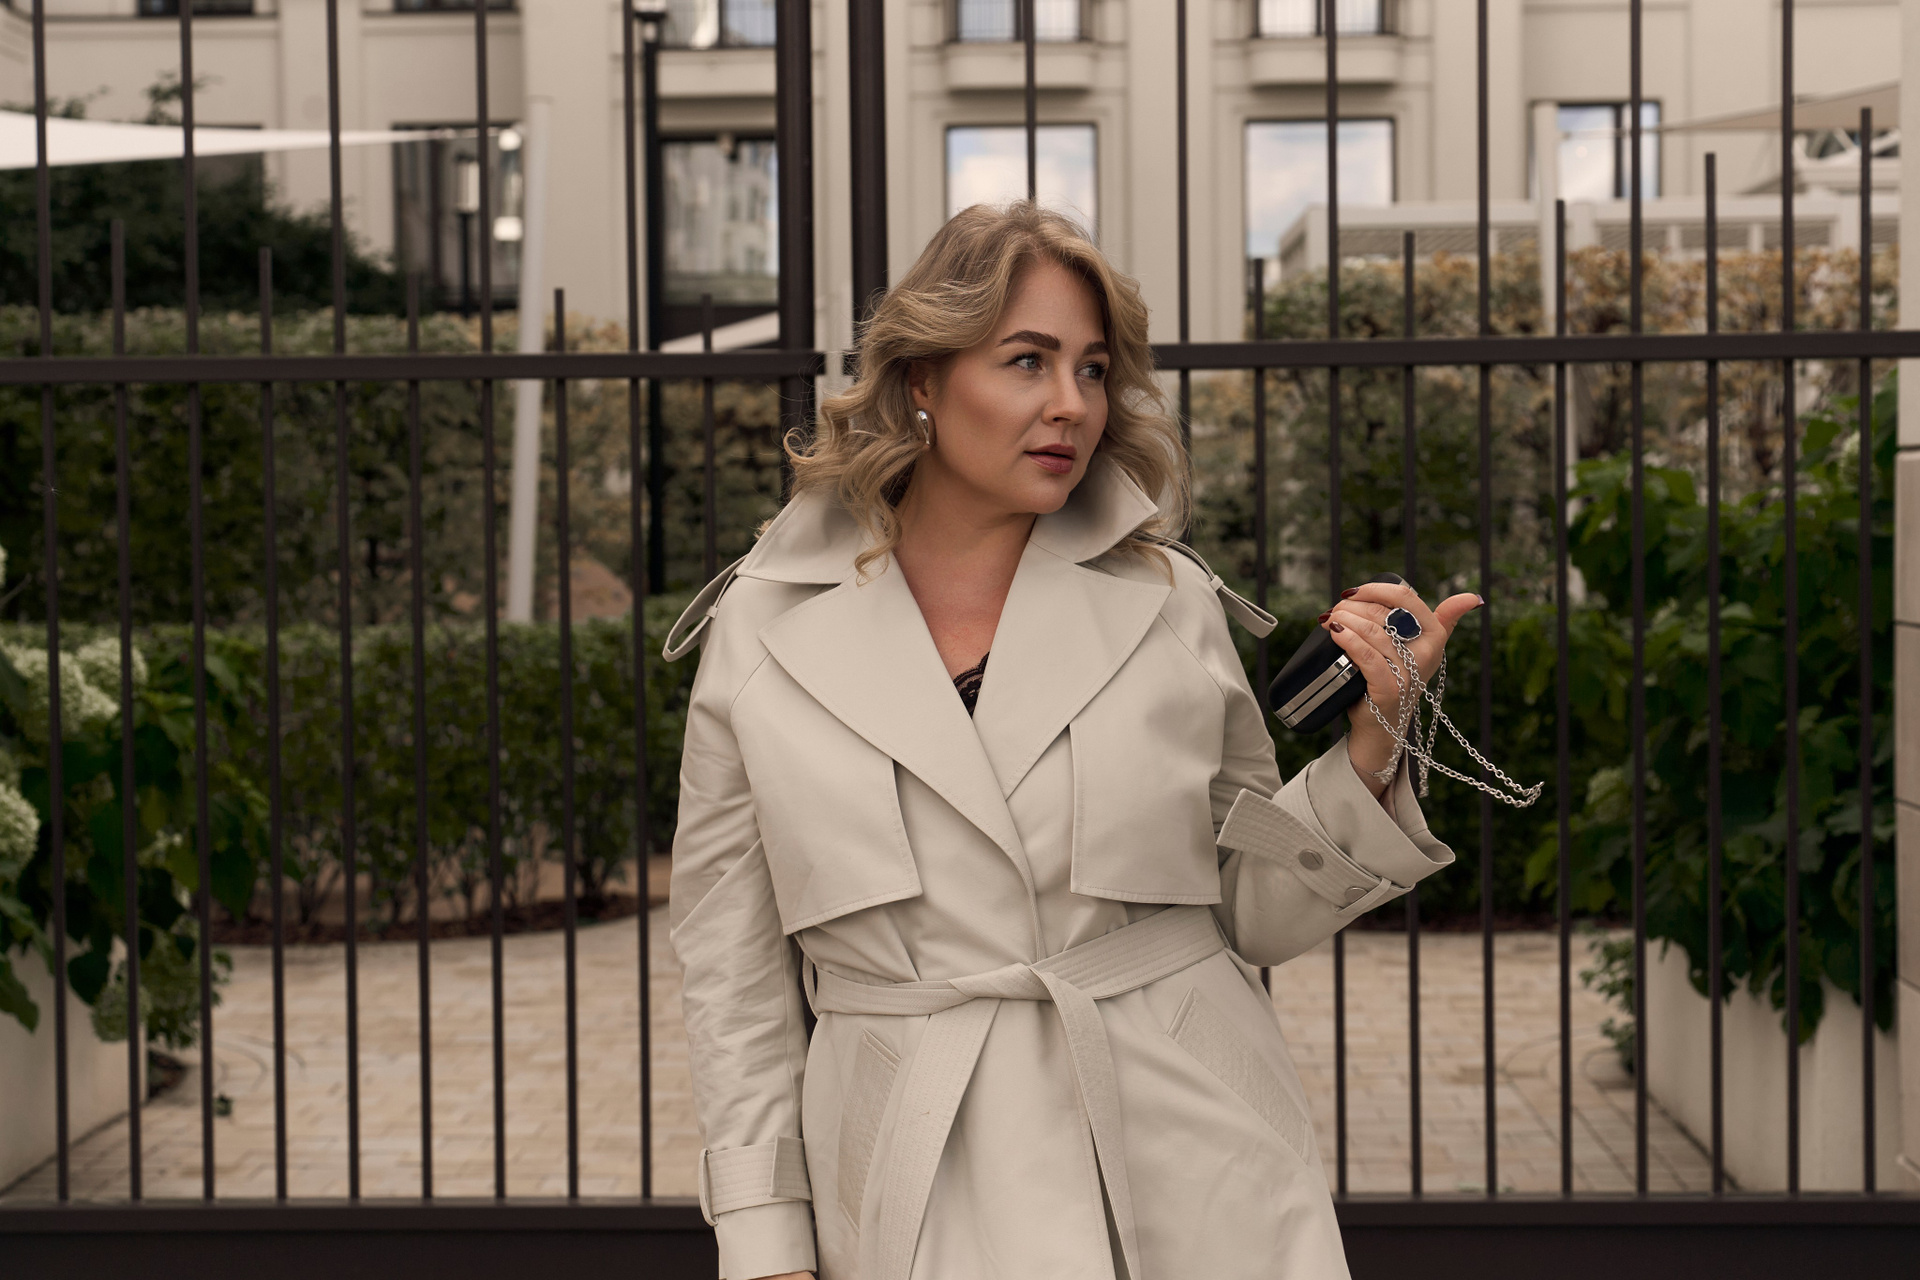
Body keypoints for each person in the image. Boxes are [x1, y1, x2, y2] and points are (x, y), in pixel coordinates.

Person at [664, 201, 1472, 1280]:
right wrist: (766, 1242)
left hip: (1194, 1167)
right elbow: (732, 971)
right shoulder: (764, 626)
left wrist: (1373, 744)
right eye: (1027, 361)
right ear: (922, 377)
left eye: (1092, 369)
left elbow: (1249, 908)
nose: (1071, 404)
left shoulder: (1169, 598)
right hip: (913, 1179)